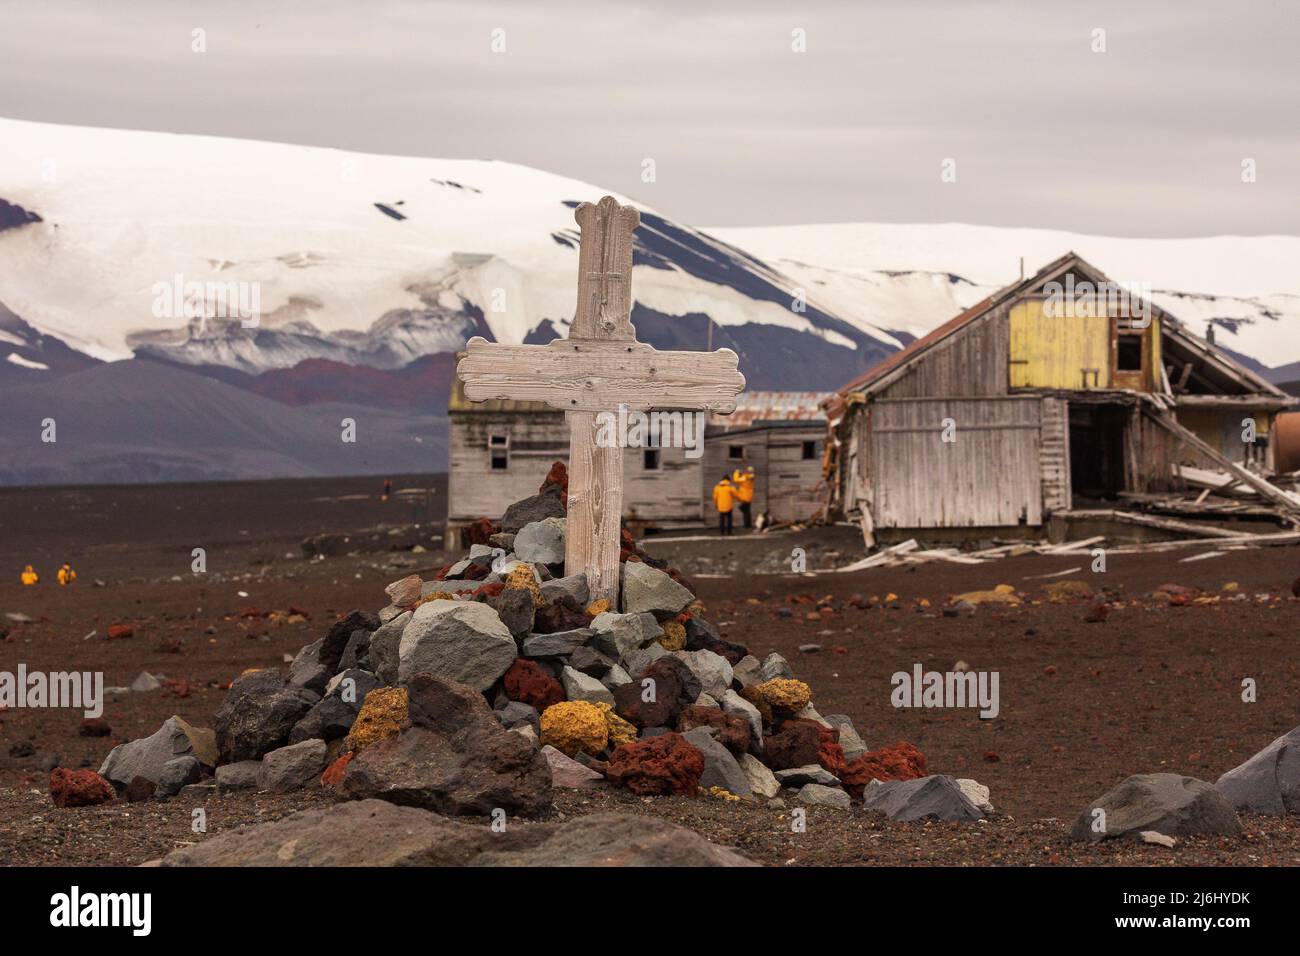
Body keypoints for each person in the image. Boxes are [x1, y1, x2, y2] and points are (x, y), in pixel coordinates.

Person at [732, 465, 755, 530]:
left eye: (747, 470)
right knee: (747, 511)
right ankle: (747, 525)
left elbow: (736, 480)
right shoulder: (750, 477)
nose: (746, 471)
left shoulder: (745, 477)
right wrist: (742, 474)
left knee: (744, 510)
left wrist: (737, 472)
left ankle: (747, 525)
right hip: (748, 496)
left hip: (745, 497)